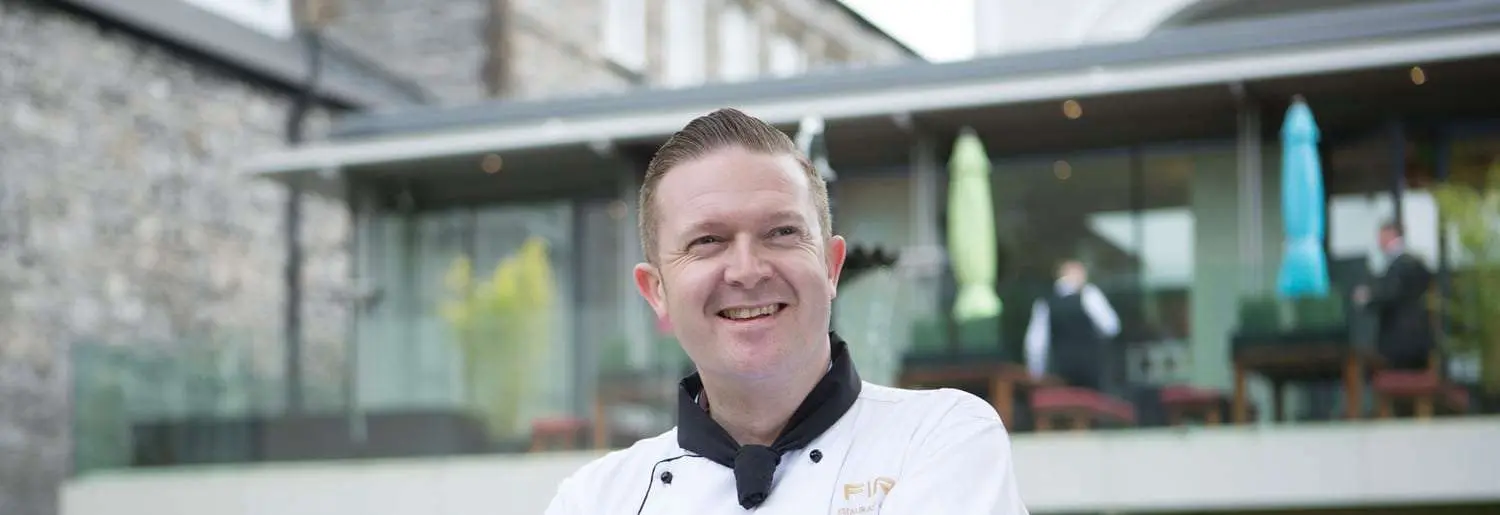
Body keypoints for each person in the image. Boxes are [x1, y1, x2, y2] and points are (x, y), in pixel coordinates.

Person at [544, 108, 1028, 514]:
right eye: (707, 241)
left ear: (832, 266)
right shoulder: (594, 500)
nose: (747, 271)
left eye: (781, 233)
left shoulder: (941, 437)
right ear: (656, 291)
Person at [1023, 260, 1121, 389]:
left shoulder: (1045, 302)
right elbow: (1111, 327)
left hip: (1059, 372)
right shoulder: (1089, 295)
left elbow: (1036, 345)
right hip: (1091, 372)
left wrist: (1037, 374)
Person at [1353, 222, 1434, 370]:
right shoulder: (1416, 262)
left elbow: (1390, 295)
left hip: (1399, 338)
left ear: (1390, 235)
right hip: (1420, 335)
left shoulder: (1397, 266)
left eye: (1381, 237)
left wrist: (1368, 299)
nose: (1379, 242)